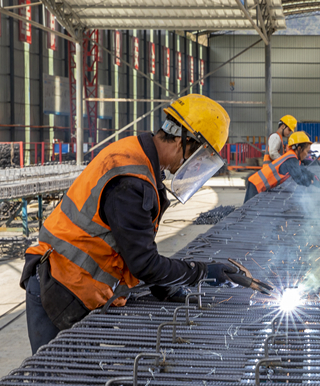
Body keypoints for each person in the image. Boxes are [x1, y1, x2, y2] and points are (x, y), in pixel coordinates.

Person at [20, 94, 258, 354]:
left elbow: (129, 245)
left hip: (77, 286)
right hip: (59, 287)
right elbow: (144, 263)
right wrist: (203, 272)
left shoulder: (139, 159)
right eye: (200, 155)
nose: (197, 164)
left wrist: (165, 284)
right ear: (182, 140)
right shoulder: (131, 180)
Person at [244, 131, 320, 202]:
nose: (307, 155)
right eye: (307, 151)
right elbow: (299, 178)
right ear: (299, 148)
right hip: (256, 185)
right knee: (246, 212)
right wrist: (313, 183)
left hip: (258, 184)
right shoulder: (291, 159)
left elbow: (304, 172)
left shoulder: (293, 158)